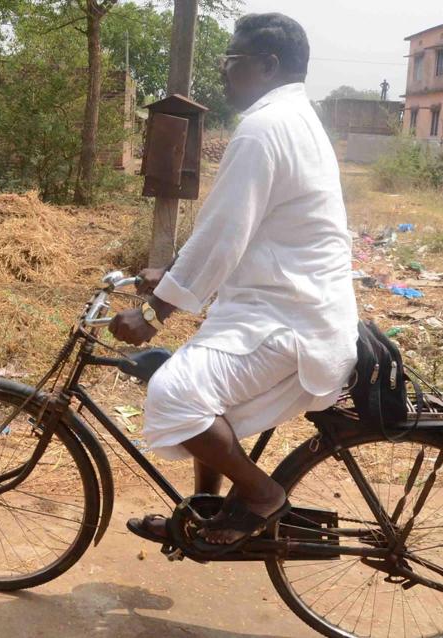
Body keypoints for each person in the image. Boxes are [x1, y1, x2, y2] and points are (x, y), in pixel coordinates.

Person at [109, 12, 358, 552]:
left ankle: (262, 496)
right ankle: (208, 513)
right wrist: (172, 275)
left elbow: (223, 233)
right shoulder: (295, 117)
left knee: (173, 392)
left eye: (231, 63)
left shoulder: (265, 127)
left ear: (267, 65)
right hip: (287, 310)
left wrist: (154, 313)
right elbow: (241, 231)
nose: (223, 74)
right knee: (200, 383)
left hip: (290, 322)